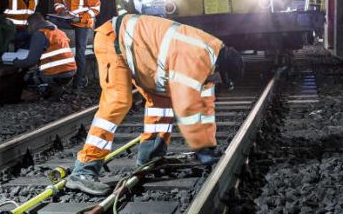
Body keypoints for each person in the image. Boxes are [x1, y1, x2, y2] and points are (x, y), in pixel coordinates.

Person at [65, 13, 234, 196]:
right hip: (114, 40)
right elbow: (187, 106)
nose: (216, 84)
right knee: (118, 101)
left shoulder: (211, 58)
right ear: (220, 68)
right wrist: (201, 148)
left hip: (140, 53)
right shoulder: (196, 56)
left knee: (162, 101)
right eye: (220, 80)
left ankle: (150, 158)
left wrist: (208, 144)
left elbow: (205, 106)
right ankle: (83, 170)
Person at [2, 12, 76, 97]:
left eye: (28, 25)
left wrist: (15, 62)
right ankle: (55, 89)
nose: (28, 28)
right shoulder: (58, 32)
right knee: (36, 69)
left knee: (27, 76)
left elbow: (31, 62)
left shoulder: (39, 34)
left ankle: (39, 94)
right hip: (70, 72)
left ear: (33, 23)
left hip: (57, 73)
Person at [53, 0, 100, 89]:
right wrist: (61, 11)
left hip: (82, 23)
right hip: (67, 19)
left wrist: (81, 19)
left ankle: (78, 82)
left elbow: (96, 8)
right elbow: (57, 3)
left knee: (80, 53)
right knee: (50, 24)